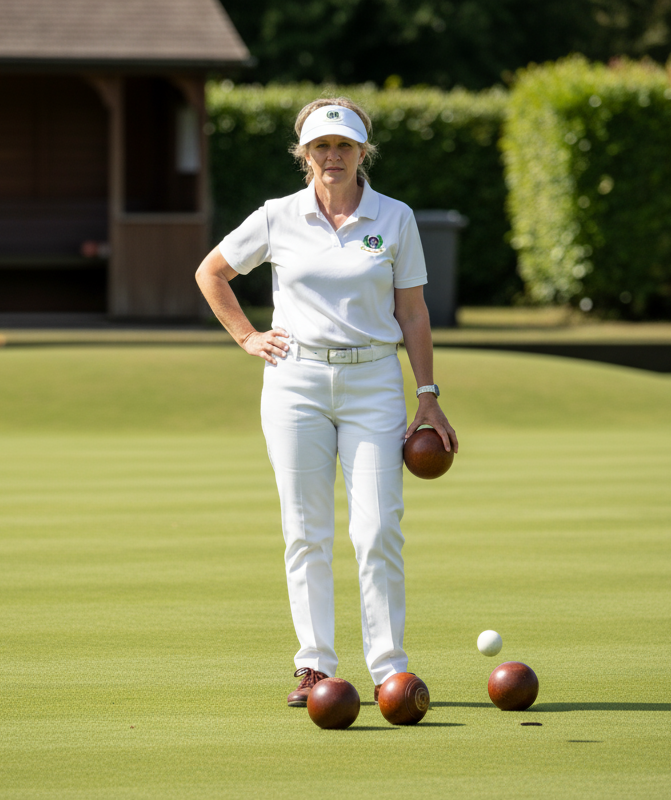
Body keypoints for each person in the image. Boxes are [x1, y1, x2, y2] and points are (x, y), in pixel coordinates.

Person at [194, 97, 457, 707]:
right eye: (321, 147)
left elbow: (412, 311)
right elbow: (212, 272)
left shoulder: (395, 217)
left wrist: (427, 395)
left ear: (363, 151)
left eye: (343, 146)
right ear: (304, 154)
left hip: (374, 383)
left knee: (378, 528)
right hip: (296, 383)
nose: (332, 156)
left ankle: (389, 670)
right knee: (306, 530)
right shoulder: (277, 216)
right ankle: (314, 666)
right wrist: (247, 336)